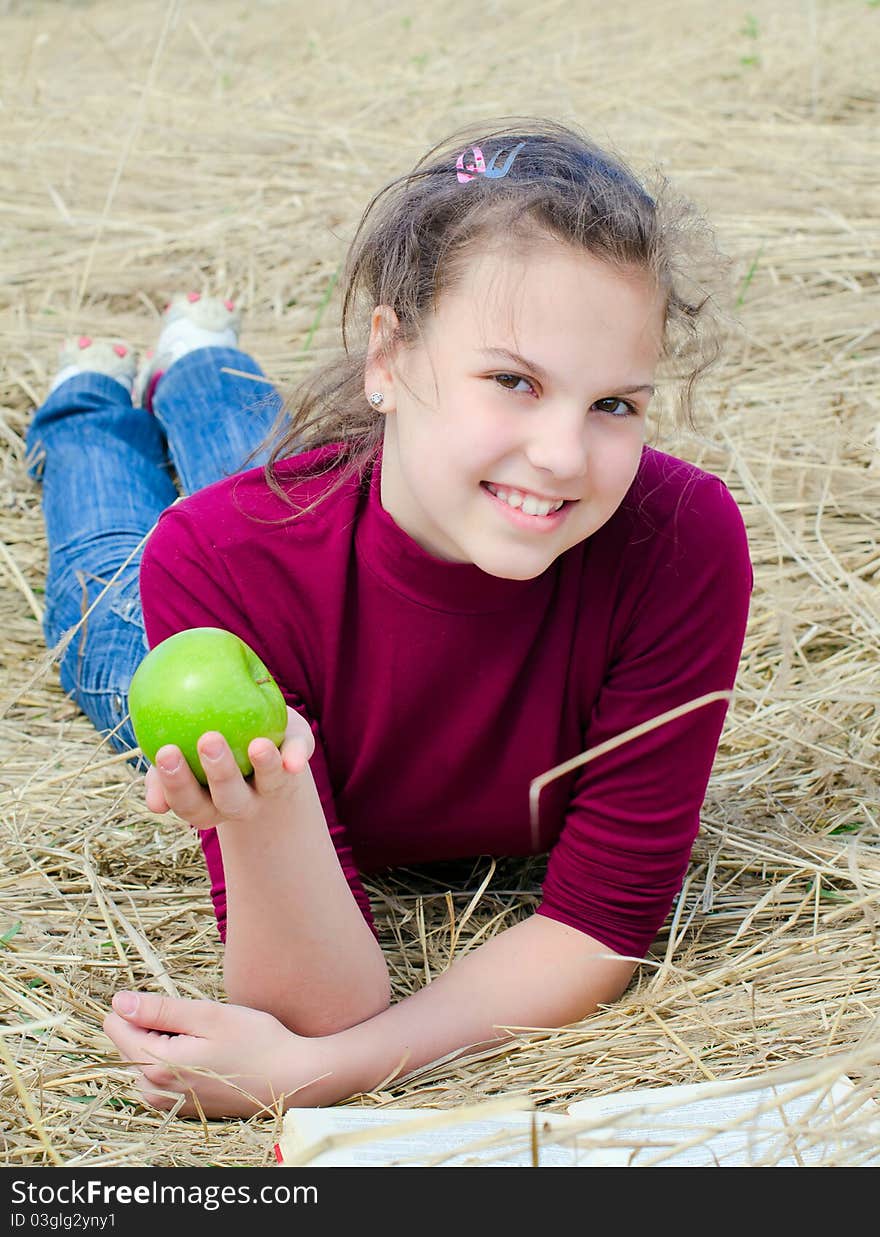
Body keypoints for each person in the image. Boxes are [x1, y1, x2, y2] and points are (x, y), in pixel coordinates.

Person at [25, 118, 753, 1119]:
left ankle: (199, 361)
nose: (562, 456)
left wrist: (323, 1073)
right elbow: (315, 1002)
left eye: (614, 405)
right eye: (513, 380)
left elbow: (598, 927)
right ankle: (86, 402)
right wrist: (269, 801)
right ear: (387, 357)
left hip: (331, 528)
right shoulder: (215, 561)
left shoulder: (678, 540)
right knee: (121, 560)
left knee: (267, 478)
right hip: (238, 580)